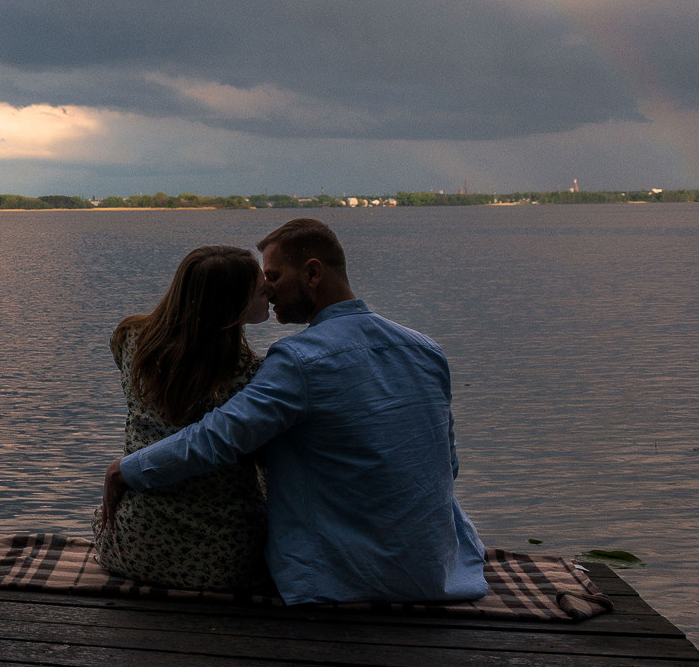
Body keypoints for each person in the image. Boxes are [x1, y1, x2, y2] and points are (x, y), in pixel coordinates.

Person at [101, 218, 486, 606]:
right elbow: (447, 463)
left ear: (313, 273)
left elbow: (216, 437)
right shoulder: (425, 350)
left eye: (273, 276)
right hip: (440, 570)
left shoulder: (299, 361)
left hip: (343, 579)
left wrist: (127, 468)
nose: (267, 290)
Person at [93, 245, 272, 592]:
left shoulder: (132, 341)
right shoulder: (251, 376)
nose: (270, 290)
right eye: (260, 289)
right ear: (231, 305)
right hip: (224, 557)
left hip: (131, 544)